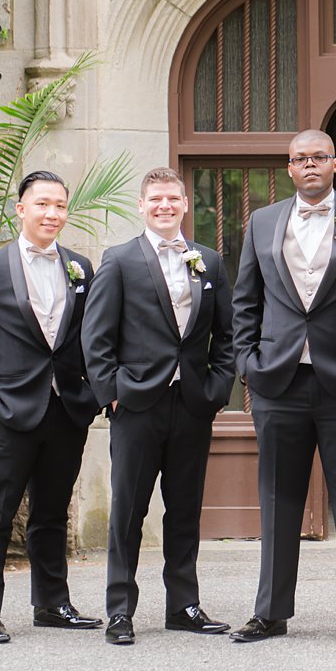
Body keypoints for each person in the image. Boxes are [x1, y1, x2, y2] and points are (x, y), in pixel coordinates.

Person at [229, 129, 336, 646]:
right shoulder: (261, 222)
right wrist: (247, 363)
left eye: (319, 157)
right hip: (277, 381)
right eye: (301, 159)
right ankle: (270, 612)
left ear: (335, 163)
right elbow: (245, 301)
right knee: (278, 498)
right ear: (289, 167)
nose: (310, 165)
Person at [82, 166, 237, 646]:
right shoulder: (120, 260)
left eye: (173, 199)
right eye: (156, 200)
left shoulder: (208, 261)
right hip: (137, 404)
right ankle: (120, 610)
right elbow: (96, 337)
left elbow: (226, 336)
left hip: (191, 404)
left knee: (185, 509)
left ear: (186, 204)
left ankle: (183, 605)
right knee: (128, 511)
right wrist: (111, 393)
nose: (165, 206)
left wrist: (215, 391)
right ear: (142, 205)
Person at [0, 170, 102, 644]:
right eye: (42, 204)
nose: (52, 214)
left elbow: (90, 340)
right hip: (10, 411)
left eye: (60, 205)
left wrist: (93, 395)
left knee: (51, 512)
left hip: (67, 411)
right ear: (22, 209)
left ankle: (52, 603)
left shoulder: (80, 267)